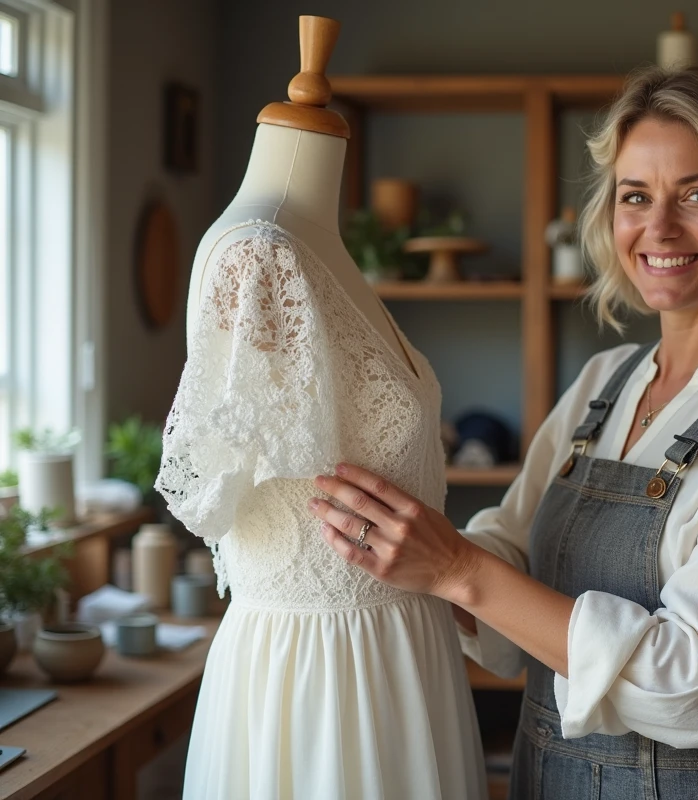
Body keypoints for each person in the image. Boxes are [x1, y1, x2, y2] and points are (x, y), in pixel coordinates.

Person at [308, 66, 698, 799]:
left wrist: (456, 570)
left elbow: (695, 684)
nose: (659, 228)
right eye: (636, 197)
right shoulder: (607, 381)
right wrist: (400, 550)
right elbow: (508, 551)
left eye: (697, 195)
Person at [156, 17, 486, 798]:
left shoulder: (317, 248)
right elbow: (213, 492)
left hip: (398, 654)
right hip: (325, 678)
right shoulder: (263, 255)